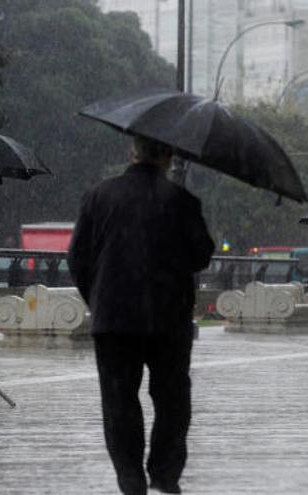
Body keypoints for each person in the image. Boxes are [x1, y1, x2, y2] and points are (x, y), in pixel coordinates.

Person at [68, 136, 214, 495]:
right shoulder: (182, 202)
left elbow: (77, 258)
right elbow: (202, 256)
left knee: (119, 401)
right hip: (168, 319)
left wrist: (99, 298)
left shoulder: (98, 197)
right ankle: (164, 474)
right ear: (167, 156)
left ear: (131, 153)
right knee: (172, 399)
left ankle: (131, 479)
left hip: (114, 319)